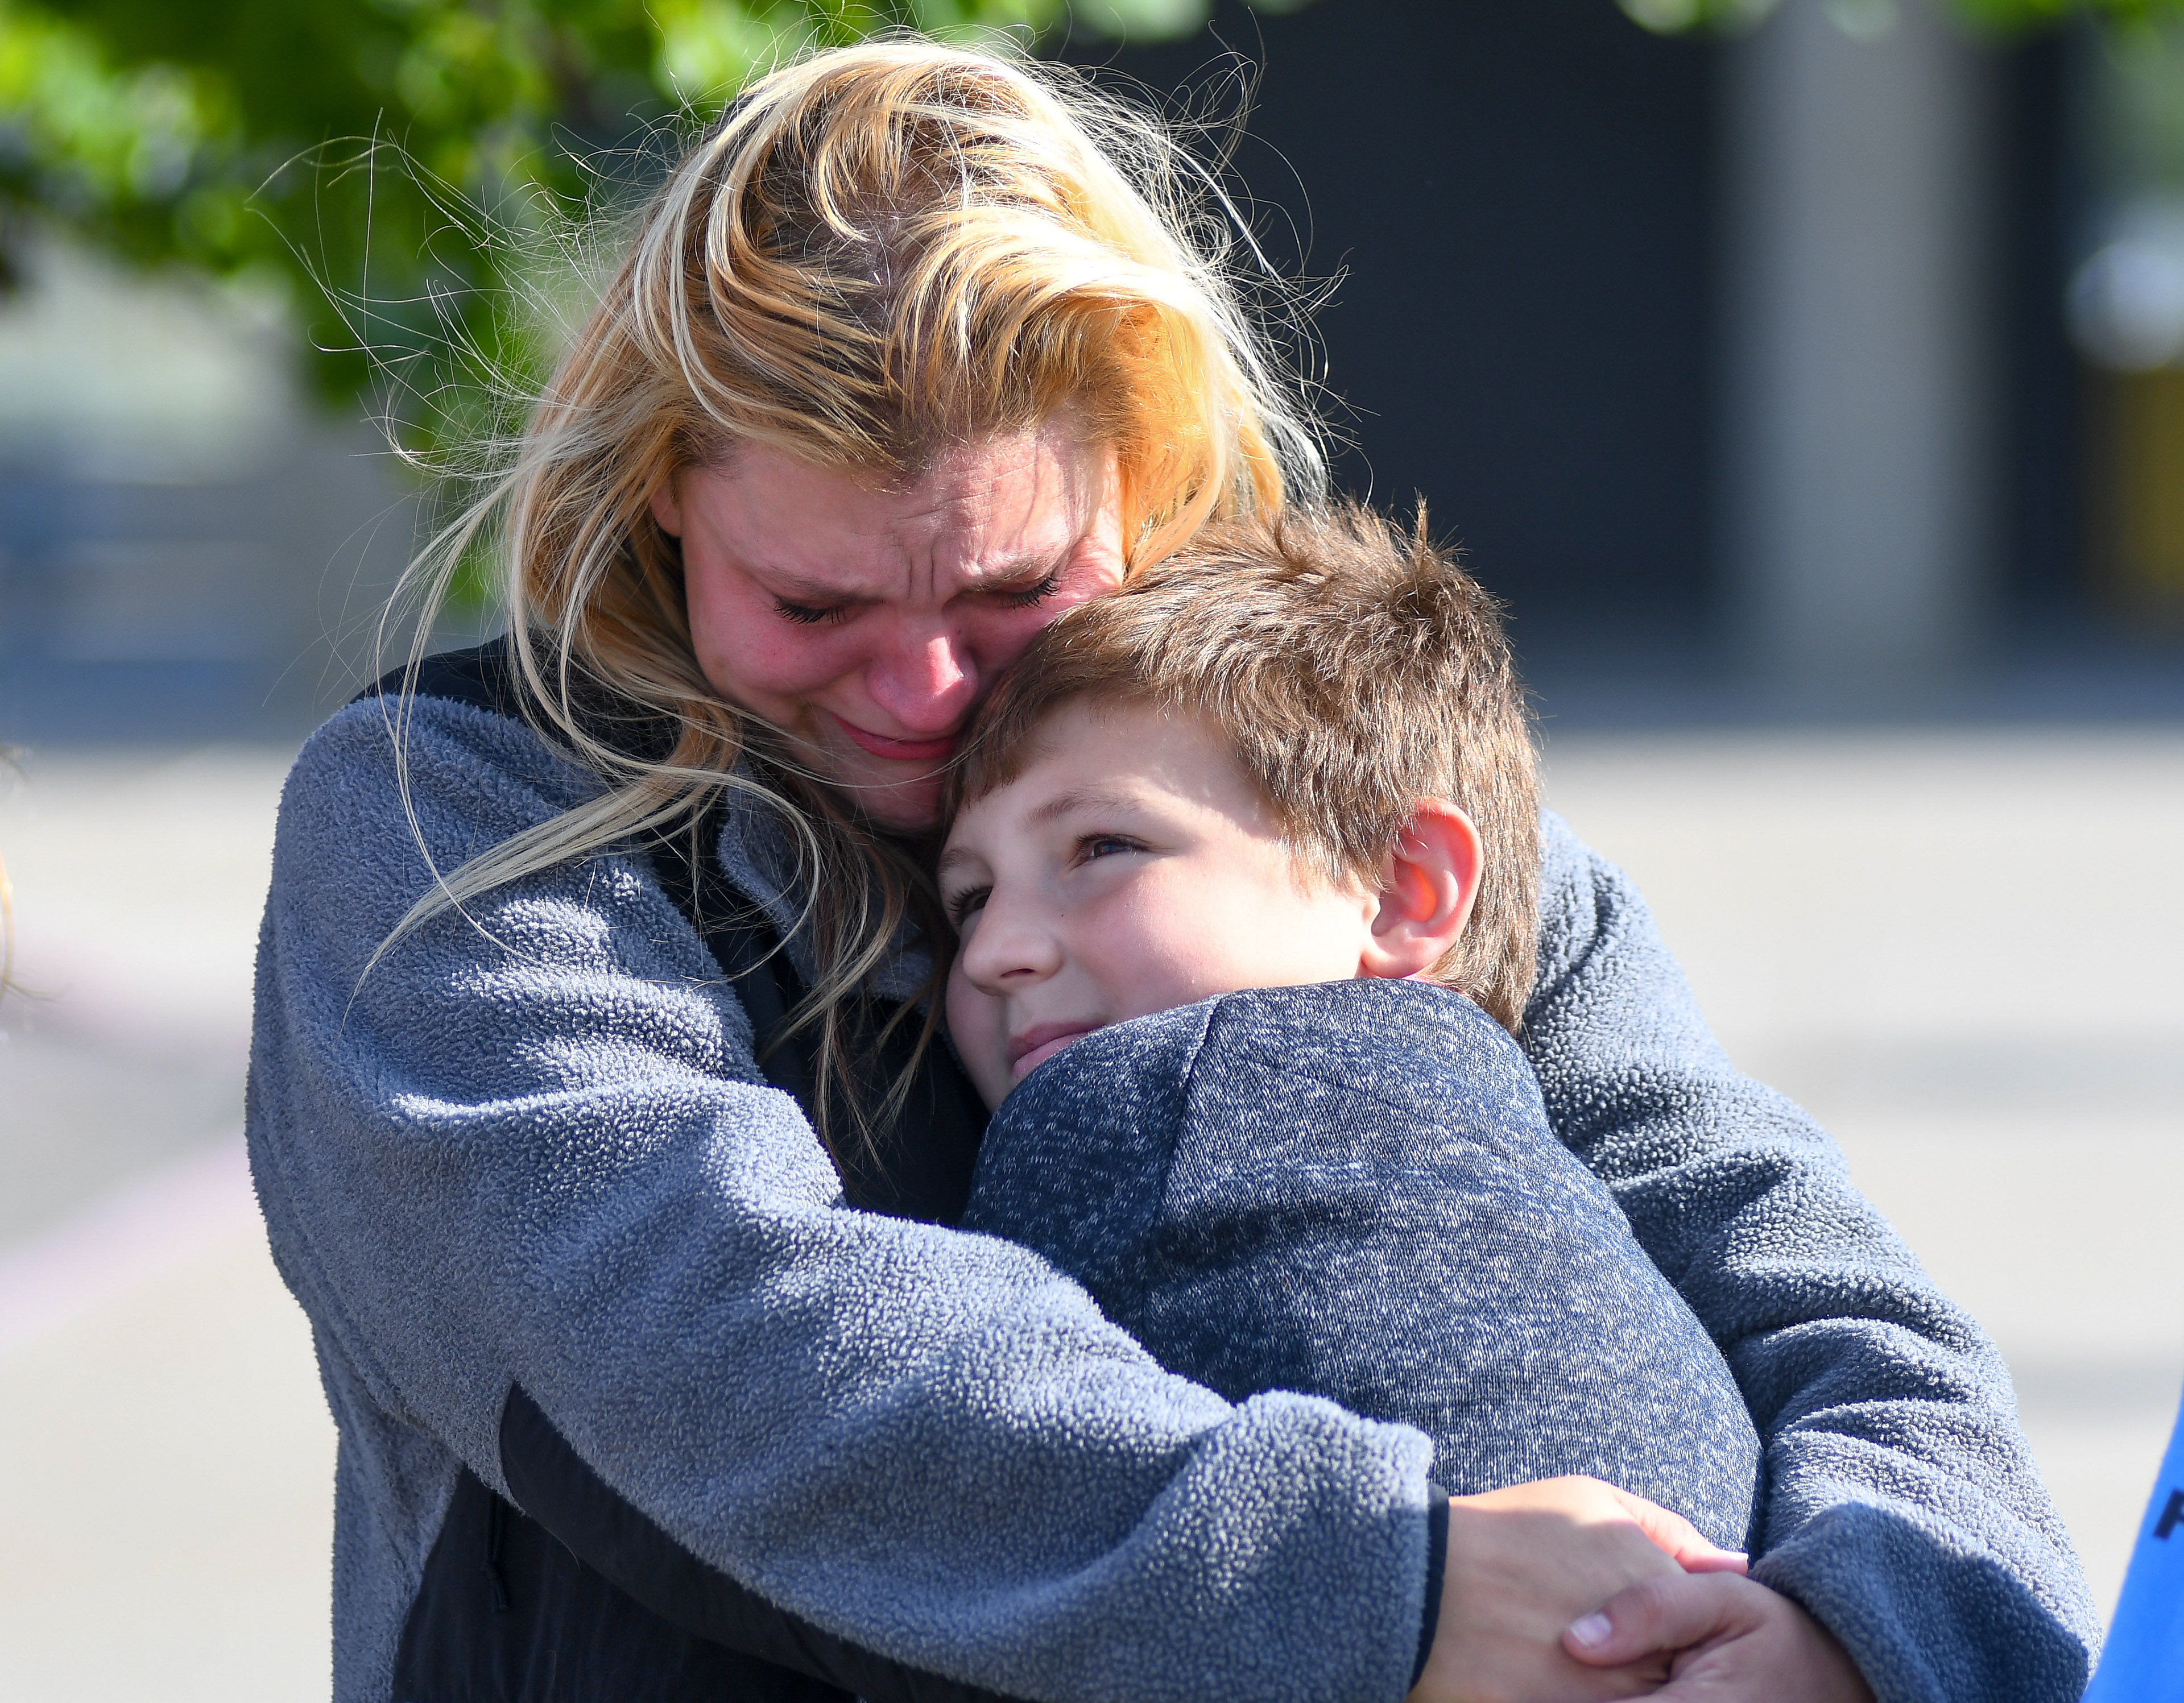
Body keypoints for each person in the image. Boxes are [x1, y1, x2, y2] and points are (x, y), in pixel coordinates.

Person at [245, 37, 2098, 1703]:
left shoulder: (1356, 814)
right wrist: (1393, 1588)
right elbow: (716, 1345)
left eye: (1008, 590)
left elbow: (1831, 1308)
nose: (918, 693)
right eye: (813, 600)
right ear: (659, 490)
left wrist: (1851, 1637)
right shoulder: (450, 819)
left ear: (1146, 471)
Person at [943, 503, 1769, 1556]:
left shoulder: (1139, 1106)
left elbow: (985, 1509)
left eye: (1101, 846)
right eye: (967, 901)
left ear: (1397, 890)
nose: (993, 949)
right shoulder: (1525, 1130)